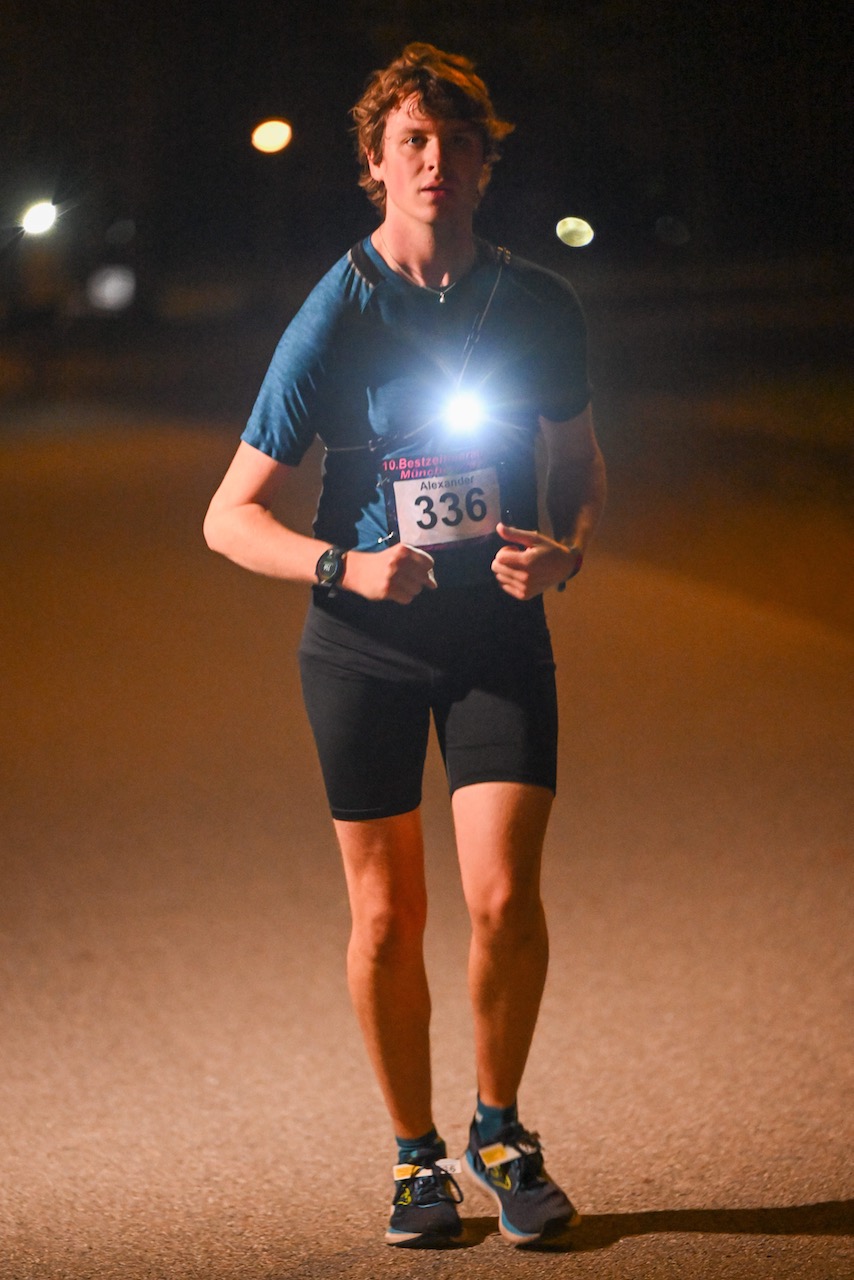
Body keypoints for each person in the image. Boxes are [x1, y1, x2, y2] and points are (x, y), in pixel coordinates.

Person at [204, 42, 606, 1248]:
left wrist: (567, 549)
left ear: (486, 159)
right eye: (409, 143)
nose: (433, 162)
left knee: (502, 895)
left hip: (495, 633)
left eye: (454, 140)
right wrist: (346, 564)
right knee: (386, 917)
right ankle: (414, 1157)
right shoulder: (337, 308)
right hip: (361, 644)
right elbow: (227, 517)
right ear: (375, 167)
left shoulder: (535, 300)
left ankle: (500, 1128)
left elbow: (579, 464)